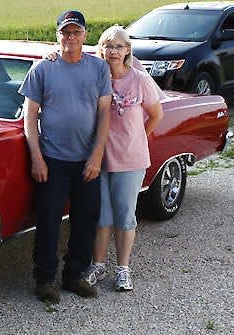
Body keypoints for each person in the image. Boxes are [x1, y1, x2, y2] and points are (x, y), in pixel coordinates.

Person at [18, 10, 112, 304]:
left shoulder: (98, 69)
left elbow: (105, 113)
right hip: (52, 159)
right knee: (48, 221)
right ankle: (45, 279)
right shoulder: (42, 69)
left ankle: (74, 276)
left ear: (85, 36)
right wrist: (36, 156)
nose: (70, 37)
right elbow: (29, 116)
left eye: (76, 32)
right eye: (65, 33)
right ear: (57, 36)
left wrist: (97, 156)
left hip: (87, 160)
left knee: (86, 220)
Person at [83, 25, 163, 291]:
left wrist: (137, 137)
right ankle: (98, 265)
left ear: (128, 50)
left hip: (131, 160)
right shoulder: (96, 77)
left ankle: (123, 269)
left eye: (118, 46)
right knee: (102, 216)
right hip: (100, 159)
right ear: (101, 49)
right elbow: (67, 60)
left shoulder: (139, 79)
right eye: (107, 45)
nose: (112, 51)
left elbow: (156, 115)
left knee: (125, 215)